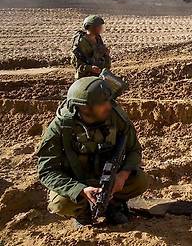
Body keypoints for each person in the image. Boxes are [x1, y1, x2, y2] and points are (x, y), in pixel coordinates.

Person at [36, 75, 148, 227]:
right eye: (102, 103)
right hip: (77, 181)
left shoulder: (115, 116)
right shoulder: (60, 127)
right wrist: (81, 190)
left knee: (141, 181)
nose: (109, 106)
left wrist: (122, 175)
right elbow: (47, 172)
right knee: (60, 203)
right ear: (84, 107)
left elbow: (134, 150)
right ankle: (82, 213)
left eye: (109, 101)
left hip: (110, 178)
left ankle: (114, 205)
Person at [71, 15, 111, 79]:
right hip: (85, 77)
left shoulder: (97, 38)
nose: (101, 29)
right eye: (99, 27)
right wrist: (90, 68)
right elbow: (76, 64)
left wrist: (106, 54)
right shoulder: (81, 42)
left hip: (98, 75)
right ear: (91, 27)